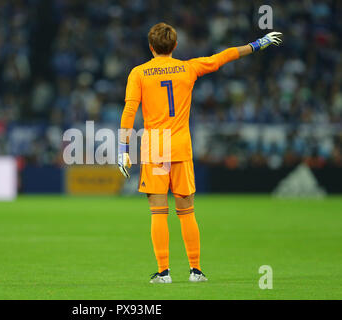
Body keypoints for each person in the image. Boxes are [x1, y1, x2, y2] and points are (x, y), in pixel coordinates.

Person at [117, 22, 282, 283]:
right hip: (181, 146)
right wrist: (257, 44)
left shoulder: (138, 73)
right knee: (187, 211)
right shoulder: (188, 68)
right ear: (175, 46)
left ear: (150, 47)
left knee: (158, 211)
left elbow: (129, 112)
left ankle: (163, 273)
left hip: (155, 147)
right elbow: (222, 57)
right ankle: (196, 270)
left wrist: (122, 148)